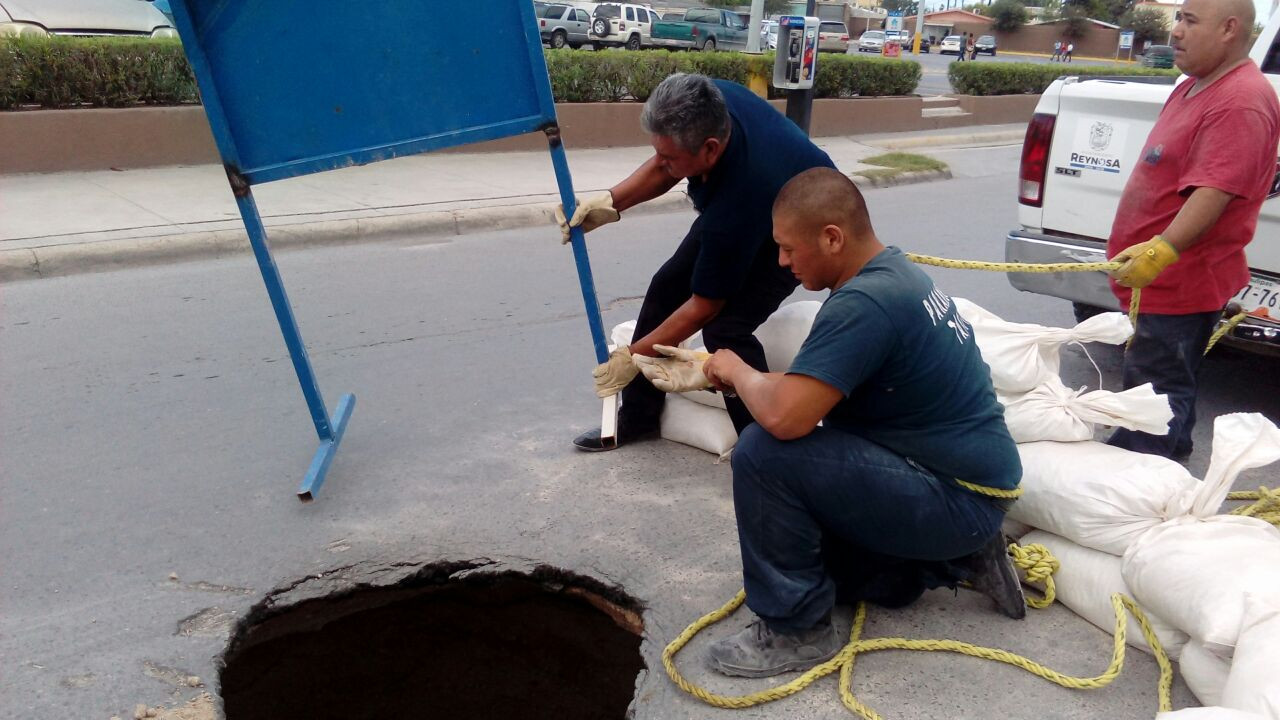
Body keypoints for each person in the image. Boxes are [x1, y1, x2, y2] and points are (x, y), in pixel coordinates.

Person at [685, 168, 1025, 678]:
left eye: (788, 248)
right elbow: (806, 390)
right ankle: (956, 558)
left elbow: (784, 417)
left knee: (762, 453)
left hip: (954, 496)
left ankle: (797, 631)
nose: (782, 262)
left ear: (831, 237)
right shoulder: (895, 274)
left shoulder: (864, 304)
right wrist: (739, 379)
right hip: (963, 488)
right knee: (827, 569)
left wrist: (736, 368)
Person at [556, 73, 835, 451]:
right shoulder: (708, 100)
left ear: (710, 150)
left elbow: (705, 306)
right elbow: (664, 166)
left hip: (804, 224)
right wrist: (608, 203)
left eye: (670, 157)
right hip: (758, 198)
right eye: (658, 152)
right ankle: (639, 418)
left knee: (726, 330)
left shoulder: (736, 203)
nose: (661, 162)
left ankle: (764, 445)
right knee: (667, 285)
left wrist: (632, 359)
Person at [1106, 0, 1280, 460]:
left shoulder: (1240, 101)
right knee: (1164, 391)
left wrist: (1160, 251)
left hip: (1180, 285)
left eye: (1190, 21)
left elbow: (1213, 193)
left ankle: (1143, 476)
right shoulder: (1194, 86)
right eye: (1178, 18)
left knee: (1152, 400)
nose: (1176, 31)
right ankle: (1171, 454)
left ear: (1229, 29)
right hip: (1159, 285)